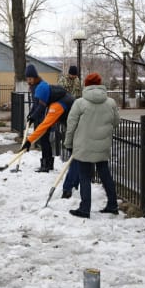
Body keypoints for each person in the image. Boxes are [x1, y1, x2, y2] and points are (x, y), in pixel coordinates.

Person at [64, 72, 120, 219]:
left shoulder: (80, 103)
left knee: (84, 176)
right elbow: (116, 123)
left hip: (84, 146)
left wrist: (68, 143)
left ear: (86, 85)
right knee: (105, 174)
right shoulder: (111, 103)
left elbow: (71, 125)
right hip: (102, 145)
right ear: (100, 84)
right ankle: (113, 205)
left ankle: (85, 208)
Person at [21, 74, 75, 162]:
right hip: (72, 126)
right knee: (72, 149)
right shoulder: (55, 95)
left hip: (76, 128)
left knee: (73, 150)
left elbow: (45, 125)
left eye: (41, 100)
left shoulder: (56, 105)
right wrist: (33, 117)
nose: (40, 102)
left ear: (46, 97)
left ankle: (79, 172)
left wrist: (29, 141)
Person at [25, 64, 54, 172]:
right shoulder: (33, 87)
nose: (29, 80)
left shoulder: (41, 86)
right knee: (44, 141)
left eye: (30, 78)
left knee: (44, 141)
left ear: (35, 77)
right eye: (27, 78)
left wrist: (34, 116)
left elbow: (41, 106)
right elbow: (35, 104)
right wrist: (31, 114)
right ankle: (48, 163)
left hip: (45, 117)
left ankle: (46, 165)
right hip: (40, 117)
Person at [59, 65, 82, 199]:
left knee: (77, 157)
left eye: (75, 75)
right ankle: (70, 186)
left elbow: (80, 95)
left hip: (77, 112)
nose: (74, 77)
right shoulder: (63, 81)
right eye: (72, 75)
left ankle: (74, 185)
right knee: (74, 154)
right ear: (69, 74)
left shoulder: (78, 82)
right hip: (67, 113)